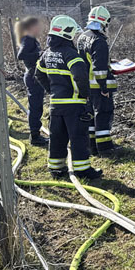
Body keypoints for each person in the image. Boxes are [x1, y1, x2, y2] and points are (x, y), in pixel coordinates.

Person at [35, 15, 102, 180]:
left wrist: (51, 90)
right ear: (67, 33)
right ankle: (82, 169)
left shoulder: (46, 54)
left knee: (57, 138)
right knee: (78, 137)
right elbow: (80, 76)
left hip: (56, 104)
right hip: (74, 104)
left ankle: (56, 168)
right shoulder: (71, 54)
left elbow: (38, 74)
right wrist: (85, 95)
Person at [76, 6, 118, 154]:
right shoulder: (99, 41)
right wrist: (104, 88)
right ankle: (105, 148)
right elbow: (99, 68)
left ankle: (92, 146)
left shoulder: (82, 37)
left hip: (85, 85)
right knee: (103, 114)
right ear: (104, 22)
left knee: (91, 116)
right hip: (98, 87)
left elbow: (87, 60)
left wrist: (108, 61)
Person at [15, 16, 48, 146]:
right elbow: (21, 55)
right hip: (33, 76)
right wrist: (39, 55)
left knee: (36, 106)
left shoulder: (30, 39)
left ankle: (36, 134)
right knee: (35, 107)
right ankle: (35, 136)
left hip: (33, 75)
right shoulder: (28, 39)